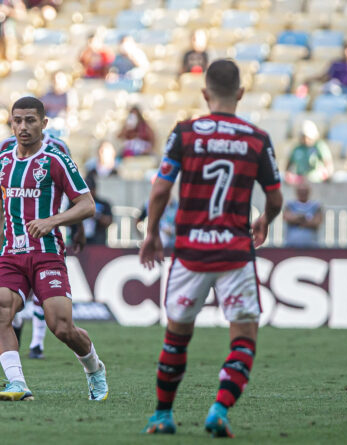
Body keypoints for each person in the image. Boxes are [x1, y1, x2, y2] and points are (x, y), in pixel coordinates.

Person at [140, 59, 283, 438]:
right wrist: (265, 219)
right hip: (235, 253)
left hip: (190, 252)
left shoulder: (185, 133)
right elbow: (276, 196)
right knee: (244, 337)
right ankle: (219, 408)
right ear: (240, 93)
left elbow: (159, 190)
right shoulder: (256, 137)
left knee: (176, 336)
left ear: (205, 94)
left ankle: (162, 415)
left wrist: (152, 233)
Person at [0, 96, 108, 402]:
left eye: (30, 120)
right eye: (17, 120)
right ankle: (17, 383)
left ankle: (94, 368)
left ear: (44, 124)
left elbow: (87, 205)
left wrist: (54, 221)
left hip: (47, 252)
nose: (23, 127)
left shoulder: (55, 160)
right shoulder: (1, 162)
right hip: (12, 254)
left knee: (60, 326)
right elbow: (0, 211)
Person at [285, 120, 334, 184]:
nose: (305, 139)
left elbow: (328, 164)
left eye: (307, 137)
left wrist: (327, 175)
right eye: (303, 137)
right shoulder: (297, 148)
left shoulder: (319, 146)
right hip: (301, 181)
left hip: (317, 180)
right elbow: (289, 165)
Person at [283, 181, 322, 248]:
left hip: (311, 246)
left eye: (305, 191)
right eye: (301, 191)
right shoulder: (290, 204)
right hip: (291, 246)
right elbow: (287, 218)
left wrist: (297, 220)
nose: (303, 193)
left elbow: (316, 222)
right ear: (297, 192)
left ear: (309, 192)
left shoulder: (316, 205)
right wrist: (307, 218)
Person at [81, 172, 112, 245]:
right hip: (79, 242)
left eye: (90, 190)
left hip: (97, 242)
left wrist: (96, 215)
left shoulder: (104, 204)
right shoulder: (75, 204)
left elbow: (108, 221)